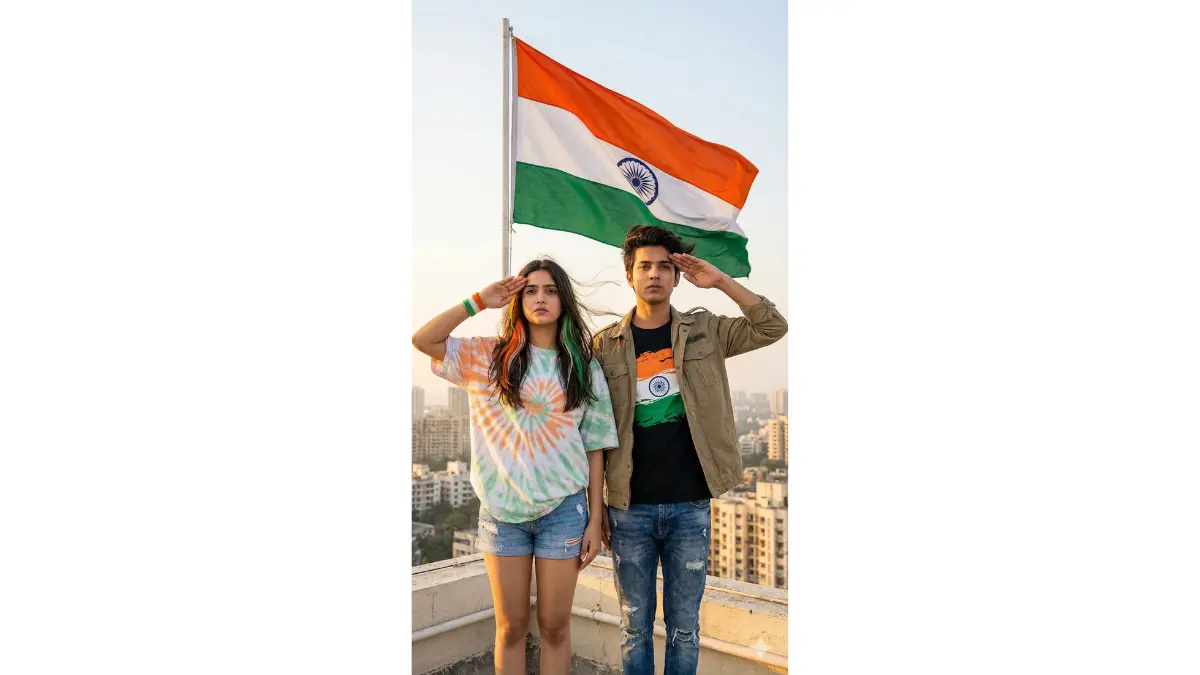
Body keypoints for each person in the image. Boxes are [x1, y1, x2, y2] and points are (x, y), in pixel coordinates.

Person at [593, 225, 788, 675]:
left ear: (677, 277)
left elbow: (772, 326)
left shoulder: (705, 330)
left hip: (690, 506)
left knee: (685, 628)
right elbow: (593, 432)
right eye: (645, 266)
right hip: (629, 509)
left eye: (665, 266)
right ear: (629, 275)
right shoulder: (604, 346)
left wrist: (720, 281)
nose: (655, 274)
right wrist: (596, 508)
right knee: (634, 627)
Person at [411, 258, 618, 675]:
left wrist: (595, 519)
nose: (541, 299)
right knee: (510, 627)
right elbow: (423, 339)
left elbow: (595, 447)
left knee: (555, 627)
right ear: (517, 300)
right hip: (501, 512)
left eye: (551, 291)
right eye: (531, 291)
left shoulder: (582, 366)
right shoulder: (487, 356)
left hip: (564, 511)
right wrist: (477, 301)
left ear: (563, 300)